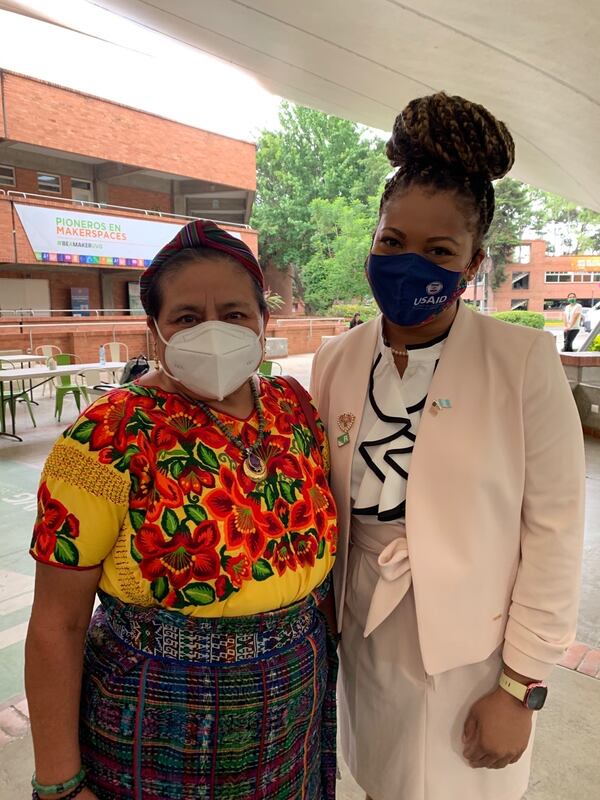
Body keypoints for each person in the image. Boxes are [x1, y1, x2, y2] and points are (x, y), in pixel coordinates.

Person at [310, 92, 585, 800]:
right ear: (372, 238)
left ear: (472, 262)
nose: (409, 264)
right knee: (381, 782)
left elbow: (554, 534)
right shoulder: (336, 361)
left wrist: (522, 686)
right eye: (392, 242)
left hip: (476, 652)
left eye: (438, 251)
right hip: (363, 633)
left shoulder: (523, 362)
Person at [25, 220, 338, 800]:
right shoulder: (107, 437)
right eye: (188, 317)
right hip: (157, 717)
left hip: (296, 701)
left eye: (236, 313)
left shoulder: (294, 409)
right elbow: (57, 622)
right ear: (156, 330)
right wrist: (59, 783)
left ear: (264, 321)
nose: (214, 332)